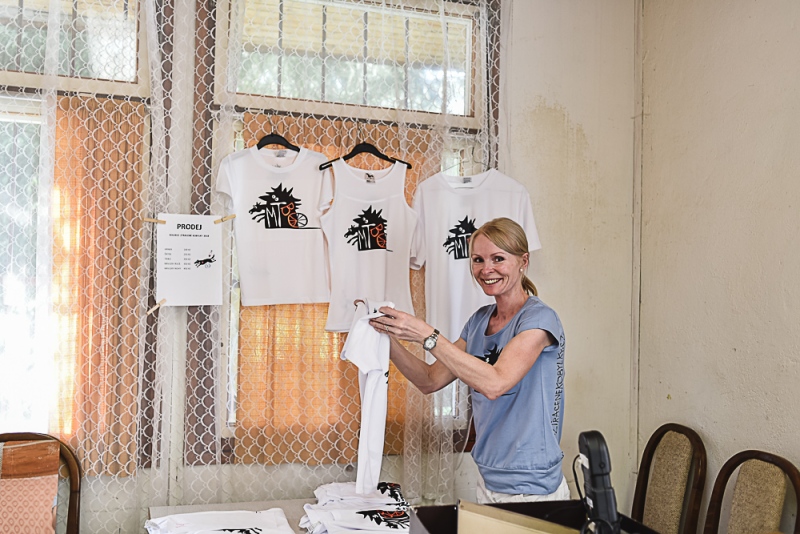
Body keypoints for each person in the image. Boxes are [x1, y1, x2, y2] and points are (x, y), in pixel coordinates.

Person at [369, 217, 567, 504]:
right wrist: (386, 338)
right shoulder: (478, 322)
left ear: (523, 261)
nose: (486, 269)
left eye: (498, 258)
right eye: (478, 260)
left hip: (531, 487)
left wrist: (426, 334)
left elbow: (495, 383)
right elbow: (430, 380)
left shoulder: (539, 320)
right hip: (488, 479)